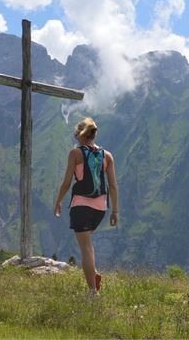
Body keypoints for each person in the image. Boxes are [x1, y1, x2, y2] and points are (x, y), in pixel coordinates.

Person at [53, 117, 118, 295]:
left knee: (86, 248)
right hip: (100, 209)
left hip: (81, 207)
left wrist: (58, 201)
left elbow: (67, 182)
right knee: (88, 244)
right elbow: (113, 186)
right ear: (94, 134)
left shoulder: (75, 154)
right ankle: (93, 273)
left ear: (79, 135)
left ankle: (92, 292)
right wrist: (115, 211)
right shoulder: (107, 156)